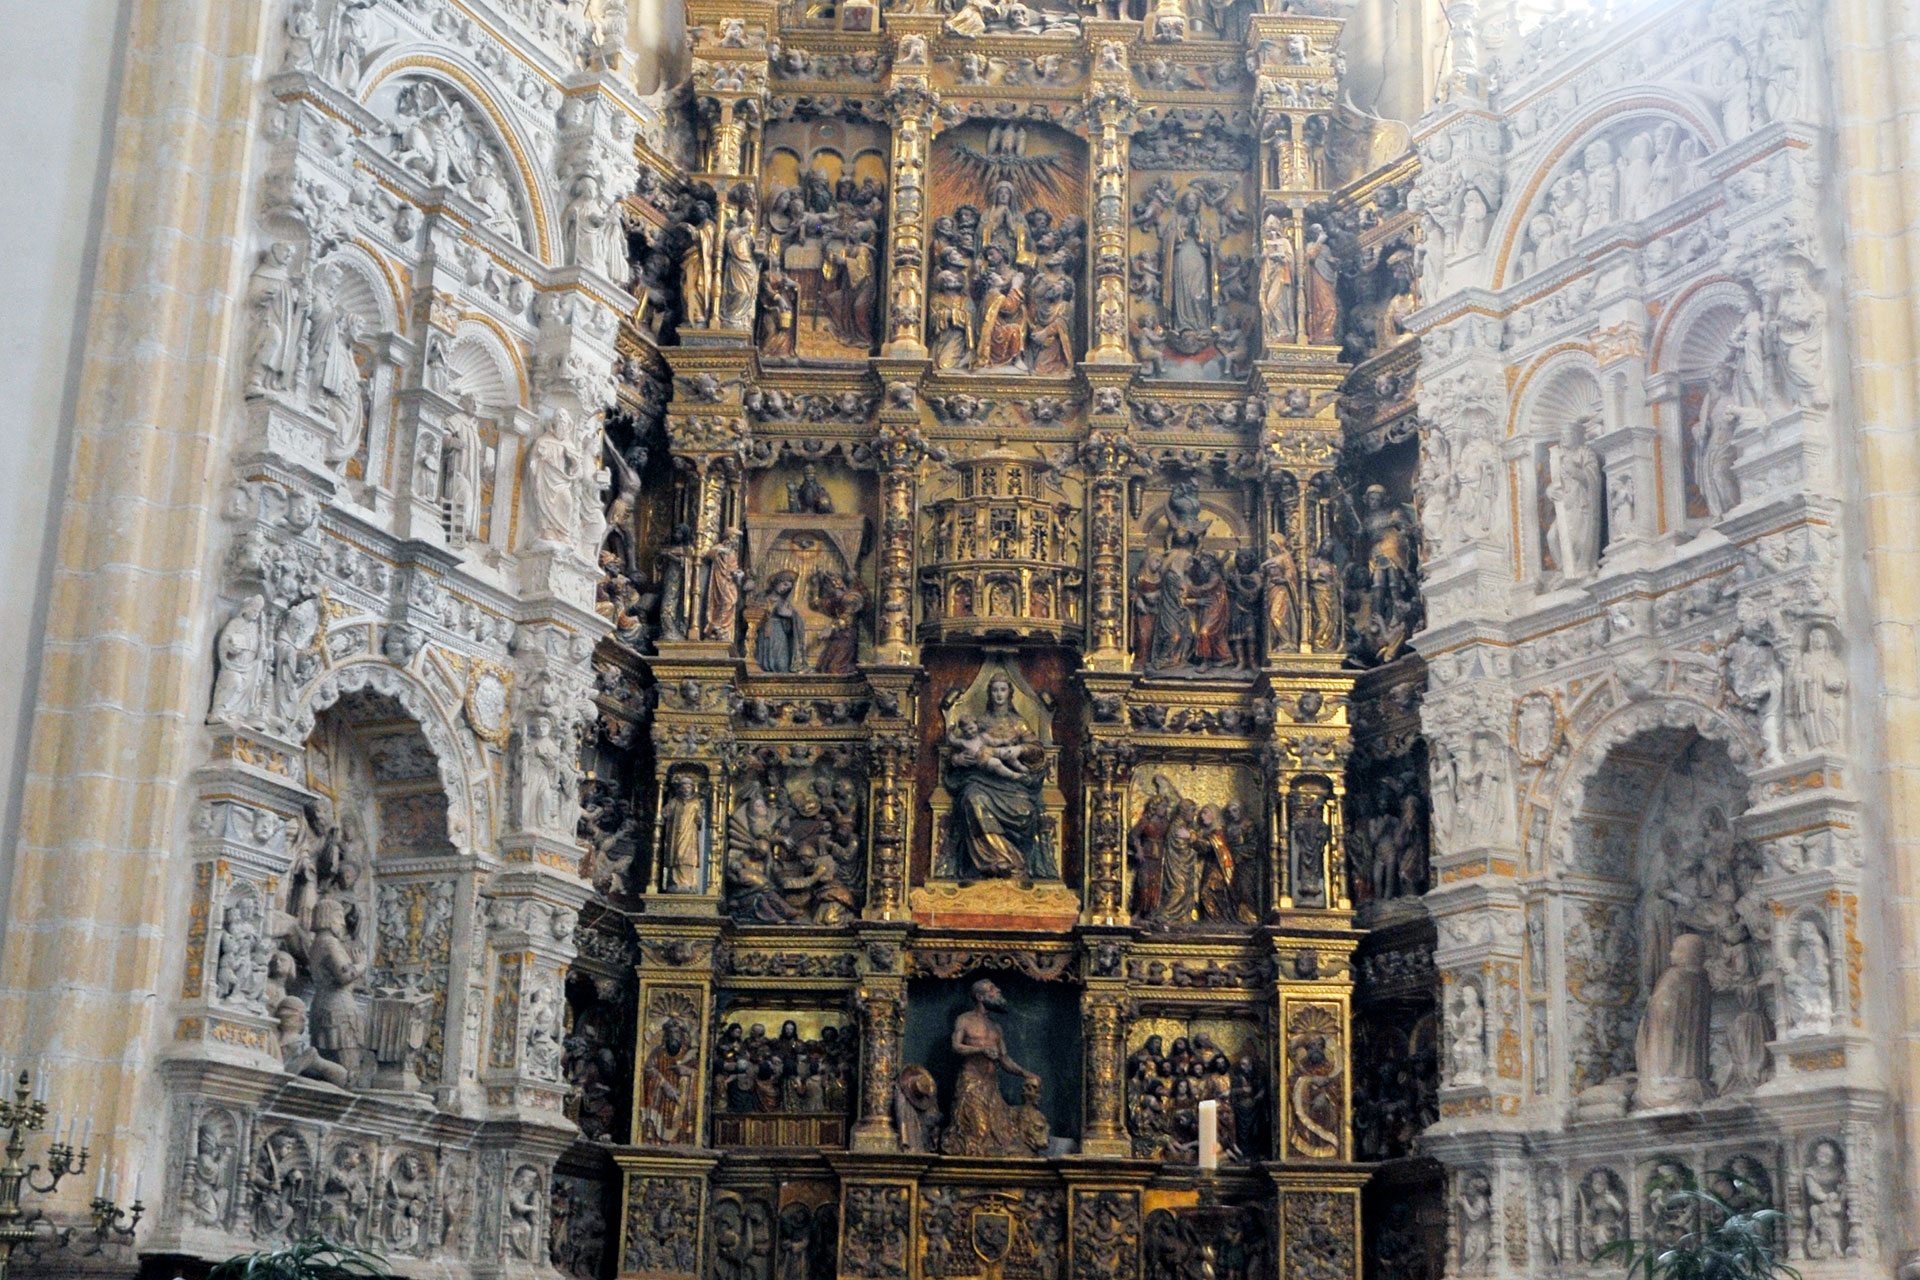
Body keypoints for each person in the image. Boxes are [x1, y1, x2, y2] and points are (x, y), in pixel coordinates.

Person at [943, 675, 1047, 879]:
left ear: (1010, 693)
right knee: (972, 800)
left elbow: (1037, 751)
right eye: (995, 690)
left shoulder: (1019, 724)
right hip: (981, 780)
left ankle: (1015, 862)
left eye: (1003, 690)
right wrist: (957, 760)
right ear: (989, 694)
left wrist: (1019, 749)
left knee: (1025, 811)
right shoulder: (979, 722)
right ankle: (996, 862)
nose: (999, 695)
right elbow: (959, 747)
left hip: (1012, 783)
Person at [942, 980, 1039, 1157]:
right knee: (978, 1131)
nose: (998, 990)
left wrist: (1026, 1073)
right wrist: (980, 1049)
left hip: (992, 1086)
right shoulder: (965, 1020)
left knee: (1003, 1134)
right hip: (971, 1084)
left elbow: (1004, 1059)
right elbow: (956, 1046)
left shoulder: (996, 1027)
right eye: (992, 989)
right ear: (980, 997)